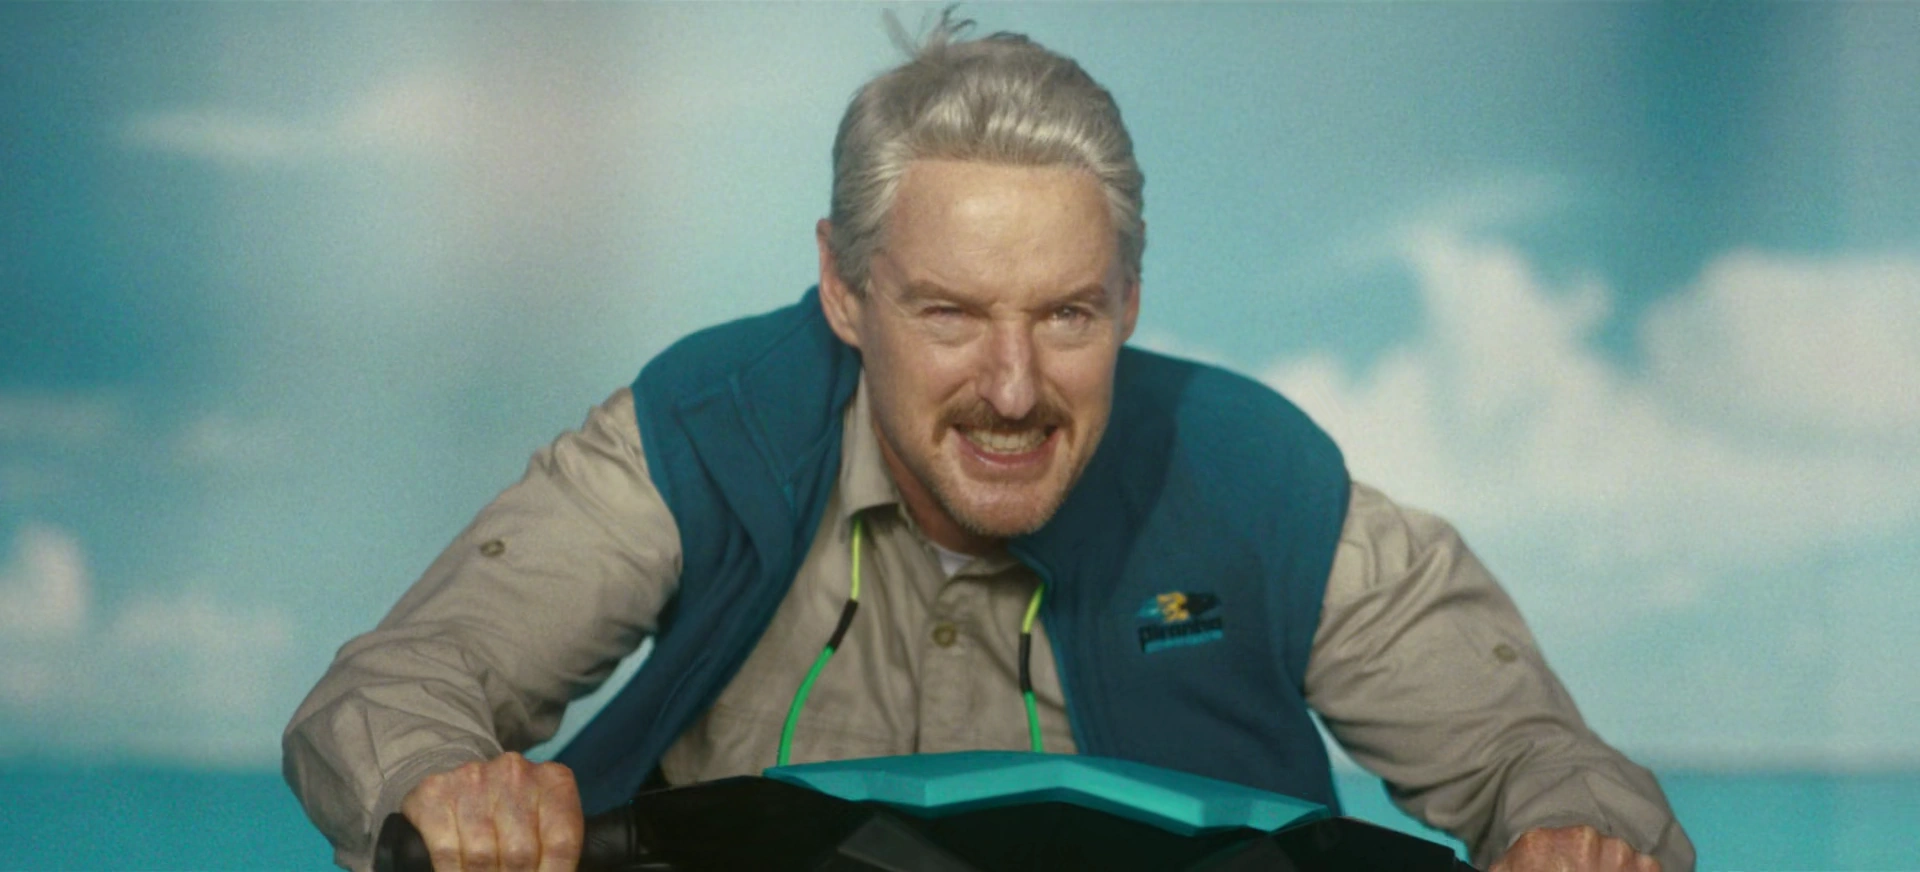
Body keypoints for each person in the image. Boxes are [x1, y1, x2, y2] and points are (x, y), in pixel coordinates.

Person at [285, 15, 1693, 872]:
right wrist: (447, 790)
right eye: (951, 314)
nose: (1013, 390)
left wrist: (1576, 841)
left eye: (1067, 314)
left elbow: (1537, 757)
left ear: (1128, 298)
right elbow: (397, 686)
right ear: (846, 291)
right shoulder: (705, 426)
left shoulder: (1260, 478)